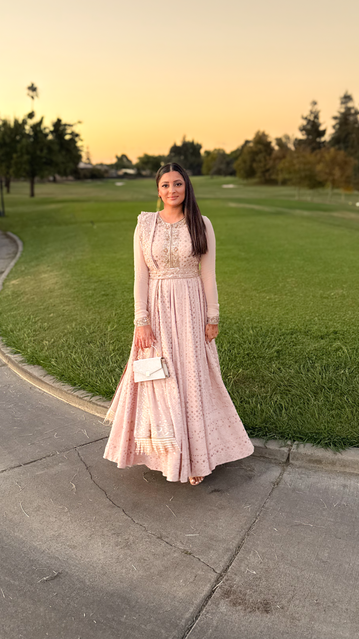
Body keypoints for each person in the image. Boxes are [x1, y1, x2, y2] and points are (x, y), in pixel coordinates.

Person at [103, 163, 254, 485]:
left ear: (187, 187)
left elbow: (208, 274)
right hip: (156, 309)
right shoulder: (145, 225)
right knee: (159, 378)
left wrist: (213, 316)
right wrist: (141, 321)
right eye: (165, 185)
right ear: (158, 191)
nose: (172, 190)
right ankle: (168, 456)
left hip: (191, 308)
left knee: (193, 379)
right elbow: (140, 276)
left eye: (177, 184)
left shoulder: (202, 223)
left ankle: (197, 458)